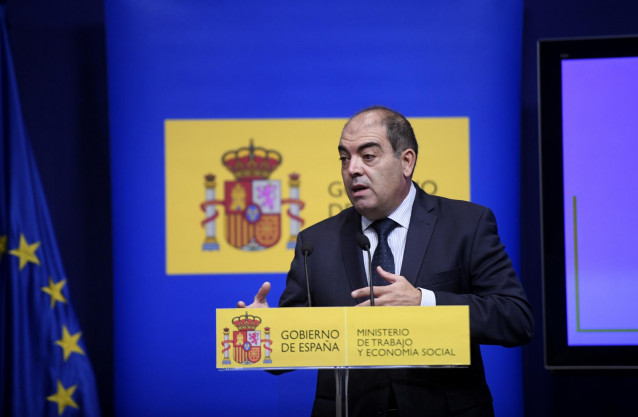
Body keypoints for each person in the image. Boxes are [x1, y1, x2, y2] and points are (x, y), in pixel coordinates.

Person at [238, 105, 533, 417]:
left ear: (406, 162)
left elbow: (515, 319)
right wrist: (264, 333)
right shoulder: (316, 242)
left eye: (368, 156)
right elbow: (289, 353)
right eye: (344, 158)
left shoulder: (466, 225)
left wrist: (424, 302)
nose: (352, 169)